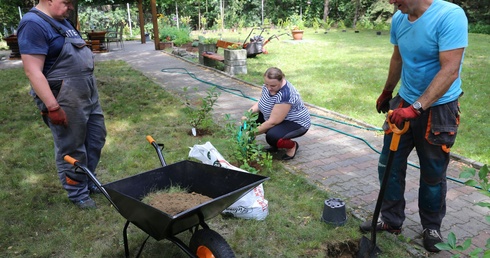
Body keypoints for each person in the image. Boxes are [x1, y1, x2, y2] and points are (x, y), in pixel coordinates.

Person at [359, 0, 468, 253]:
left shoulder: (450, 15)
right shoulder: (400, 18)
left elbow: (450, 70)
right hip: (405, 101)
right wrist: (388, 91)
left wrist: (417, 108)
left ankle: (431, 227)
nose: (390, 2)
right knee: (389, 163)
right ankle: (390, 219)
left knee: (432, 173)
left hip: (439, 109)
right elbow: (397, 57)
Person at [17, 0, 107, 209]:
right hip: (64, 97)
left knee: (96, 138)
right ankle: (78, 193)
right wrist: (53, 107)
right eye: (67, 2)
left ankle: (88, 180)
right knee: (72, 146)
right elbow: (32, 71)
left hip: (86, 93)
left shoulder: (62, 20)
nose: (71, 7)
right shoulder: (33, 24)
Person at [245, 67, 310, 160]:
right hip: (276, 117)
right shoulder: (269, 86)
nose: (269, 88)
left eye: (272, 86)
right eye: (266, 84)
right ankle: (250, 148)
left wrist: (251, 133)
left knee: (272, 136)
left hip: (295, 122)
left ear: (282, 80)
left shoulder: (286, 95)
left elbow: (273, 122)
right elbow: (261, 102)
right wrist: (248, 113)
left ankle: (292, 146)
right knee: (252, 118)